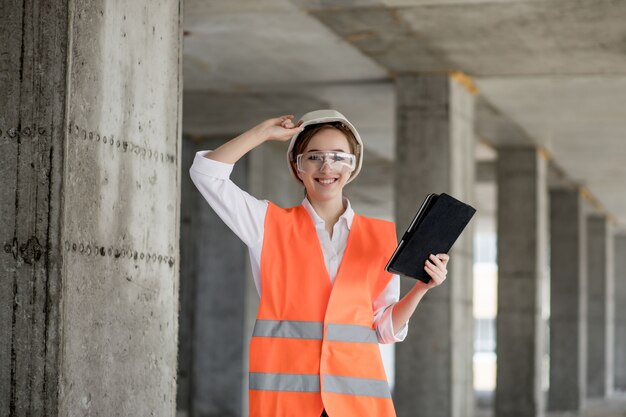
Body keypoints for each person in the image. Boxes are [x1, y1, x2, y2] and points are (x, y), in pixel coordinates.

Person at [189, 109, 449, 417]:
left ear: (353, 167)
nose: (327, 166)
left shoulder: (381, 237)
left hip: (358, 403)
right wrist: (262, 133)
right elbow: (206, 173)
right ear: (297, 167)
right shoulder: (266, 225)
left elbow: (382, 329)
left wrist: (421, 288)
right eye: (313, 157)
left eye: (339, 156)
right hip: (288, 400)